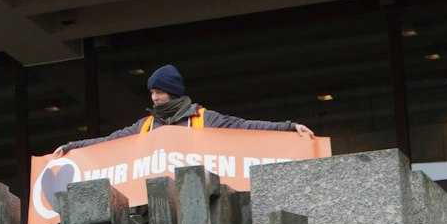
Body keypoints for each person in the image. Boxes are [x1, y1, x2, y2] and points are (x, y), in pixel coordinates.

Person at [54, 64, 316, 154]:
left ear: (173, 92)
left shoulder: (204, 118)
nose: (154, 97)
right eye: (152, 92)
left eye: (159, 91)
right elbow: (110, 142)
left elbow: (246, 127)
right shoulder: (145, 126)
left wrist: (288, 127)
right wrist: (72, 147)